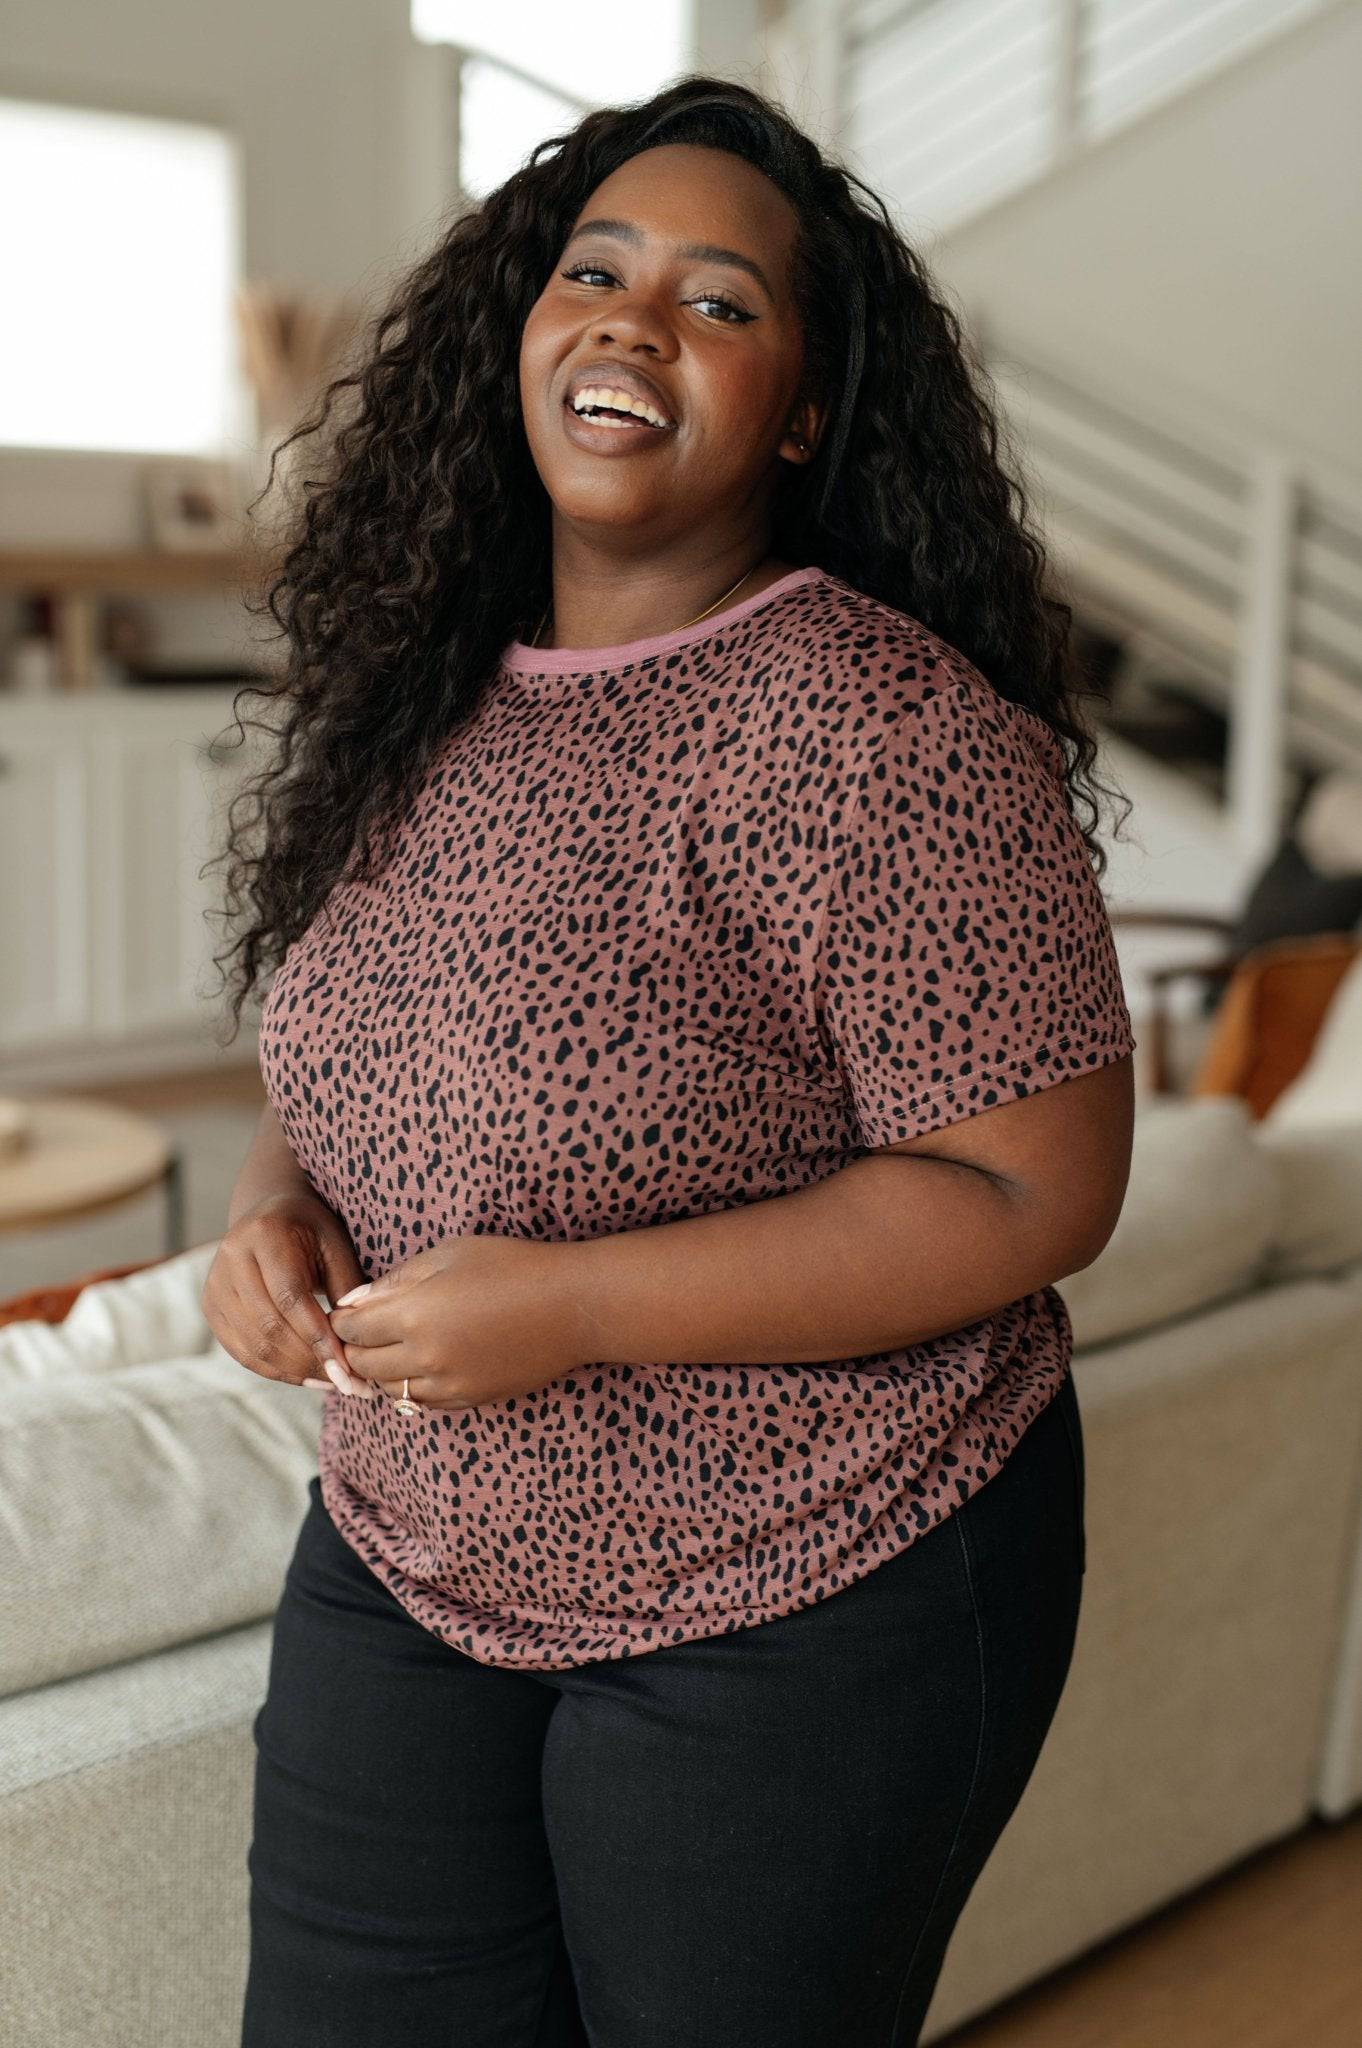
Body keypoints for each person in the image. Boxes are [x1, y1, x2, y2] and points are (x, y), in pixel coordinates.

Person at [204, 73, 1136, 2048]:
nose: (634, 322)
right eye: (594, 273)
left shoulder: (885, 724)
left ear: (801, 411)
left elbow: (1033, 1187)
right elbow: (346, 1053)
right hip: (410, 1542)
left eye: (719, 302)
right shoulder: (421, 690)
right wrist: (274, 1217)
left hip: (811, 1570)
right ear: (519, 331)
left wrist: (575, 1307)